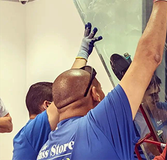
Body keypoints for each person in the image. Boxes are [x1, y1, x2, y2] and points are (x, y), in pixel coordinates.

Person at [36, 0, 167, 160]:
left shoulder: (46, 150)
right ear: (95, 94)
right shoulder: (96, 124)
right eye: (102, 90)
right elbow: (149, 56)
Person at [12, 23, 102, 160]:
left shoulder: (36, 136)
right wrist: (82, 53)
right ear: (47, 105)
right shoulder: (32, 132)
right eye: (58, 103)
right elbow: (70, 91)